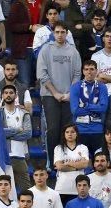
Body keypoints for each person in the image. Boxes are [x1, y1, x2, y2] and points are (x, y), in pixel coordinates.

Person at [38, 21, 82, 168]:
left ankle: (66, 160)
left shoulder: (74, 51)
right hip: (50, 95)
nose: (60, 35)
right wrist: (55, 92)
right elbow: (42, 74)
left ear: (67, 33)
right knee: (53, 129)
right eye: (57, 32)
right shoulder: (46, 50)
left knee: (67, 130)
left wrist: (71, 93)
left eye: (63, 32)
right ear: (53, 33)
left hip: (69, 96)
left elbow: (77, 75)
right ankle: (52, 162)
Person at [0, 84, 33, 191]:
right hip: (3, 157)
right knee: (3, 191)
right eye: (6, 93)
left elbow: (28, 134)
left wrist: (7, 133)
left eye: (11, 93)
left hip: (20, 156)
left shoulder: (24, 113)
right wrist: (17, 130)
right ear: (2, 96)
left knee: (26, 190)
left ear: (16, 95)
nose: (8, 95)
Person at [70, 60, 109, 156]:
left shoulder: (102, 87)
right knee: (83, 161)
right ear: (83, 71)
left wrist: (86, 105)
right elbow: (75, 111)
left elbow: (103, 108)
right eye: (86, 69)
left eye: (92, 69)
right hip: (80, 130)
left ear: (96, 71)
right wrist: (96, 107)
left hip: (97, 130)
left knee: (98, 161)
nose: (89, 72)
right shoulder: (75, 87)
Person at [53, 124, 91, 206]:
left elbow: (85, 164)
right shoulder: (58, 148)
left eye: (72, 132)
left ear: (76, 134)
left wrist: (69, 163)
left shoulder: (83, 148)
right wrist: (77, 167)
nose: (70, 134)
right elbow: (59, 166)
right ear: (64, 134)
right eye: (67, 132)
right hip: (62, 189)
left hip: (78, 190)